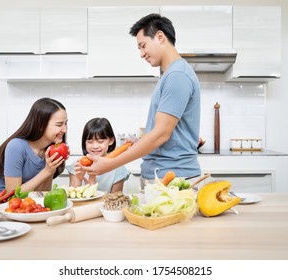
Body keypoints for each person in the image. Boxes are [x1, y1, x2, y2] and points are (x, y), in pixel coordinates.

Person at [83, 13, 201, 184]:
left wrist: (111, 164)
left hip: (172, 178)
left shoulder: (177, 75)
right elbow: (164, 131)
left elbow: (161, 134)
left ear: (160, 37)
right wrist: (140, 141)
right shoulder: (172, 74)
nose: (141, 54)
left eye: (143, 46)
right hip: (164, 176)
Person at [0, 97, 68, 194]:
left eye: (65, 123)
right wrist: (47, 171)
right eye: (59, 125)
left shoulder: (49, 150)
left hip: (19, 200)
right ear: (41, 126)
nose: (65, 129)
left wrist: (51, 169)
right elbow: (12, 193)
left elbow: (42, 192)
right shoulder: (16, 146)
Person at [67, 117, 130, 193]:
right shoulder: (77, 166)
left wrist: (93, 189)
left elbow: (115, 200)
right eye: (90, 142)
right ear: (84, 142)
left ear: (111, 141)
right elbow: (72, 199)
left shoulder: (118, 169)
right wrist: (79, 179)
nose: (95, 146)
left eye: (100, 141)